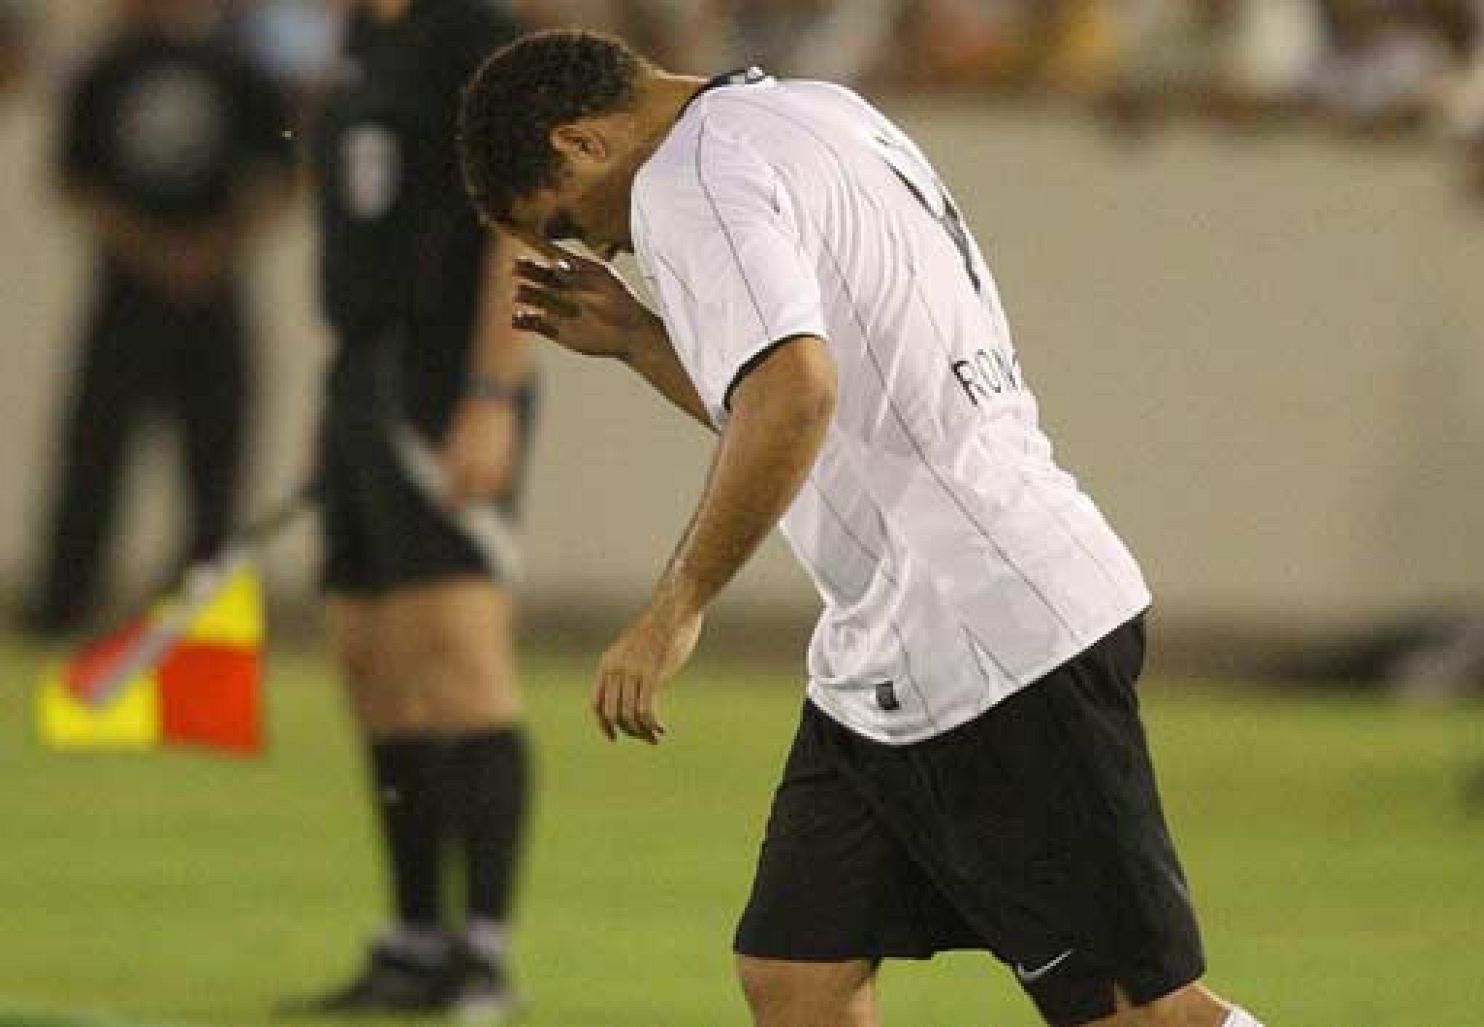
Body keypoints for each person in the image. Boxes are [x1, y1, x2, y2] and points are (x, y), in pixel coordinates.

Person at [458, 29, 1267, 1027]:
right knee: (795, 973)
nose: (598, 247)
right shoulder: (815, 113)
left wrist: (676, 607)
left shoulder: (688, 182)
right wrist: (638, 337)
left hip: (987, 634)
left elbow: (797, 394)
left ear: (580, 141)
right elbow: (791, 401)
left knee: (1139, 1012)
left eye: (569, 222)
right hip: (893, 645)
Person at [280, 0, 534, 1017]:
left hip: (442, 381)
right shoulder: (360, 46)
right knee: (371, 662)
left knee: (459, 662)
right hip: (362, 378)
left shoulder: (473, 39)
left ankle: (484, 953)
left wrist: (491, 396)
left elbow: (517, 225)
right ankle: (414, 937)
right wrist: (334, 407)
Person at [23, 0, 293, 638]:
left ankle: (197, 619)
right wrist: (148, 248)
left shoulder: (239, 66)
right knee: (93, 457)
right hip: (124, 294)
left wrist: (213, 248)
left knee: (216, 467)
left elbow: (282, 172)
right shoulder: (109, 68)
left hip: (216, 295)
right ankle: (61, 607)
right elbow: (71, 179)